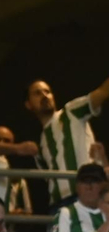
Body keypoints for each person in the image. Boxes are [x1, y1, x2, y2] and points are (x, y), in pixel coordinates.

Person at [27, 76, 109, 205]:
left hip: (87, 197)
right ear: (28, 104)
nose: (44, 95)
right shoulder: (40, 145)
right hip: (59, 205)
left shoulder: (71, 112)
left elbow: (103, 92)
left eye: (47, 91)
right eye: (37, 93)